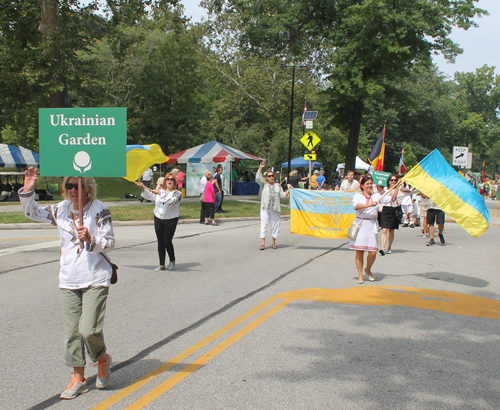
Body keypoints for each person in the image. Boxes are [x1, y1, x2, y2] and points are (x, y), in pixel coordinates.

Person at [20, 167, 115, 400]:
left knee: (88, 330)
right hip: (69, 278)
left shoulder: (99, 209)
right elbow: (32, 212)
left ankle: (102, 360)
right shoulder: (59, 210)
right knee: (72, 333)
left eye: (78, 186)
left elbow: (110, 242)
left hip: (95, 277)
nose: (73, 190)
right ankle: (78, 378)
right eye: (69, 186)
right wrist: (29, 189)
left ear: (88, 188)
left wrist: (91, 239)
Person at [135, 173, 182, 271]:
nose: (169, 181)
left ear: (174, 182)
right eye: (167, 179)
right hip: (158, 218)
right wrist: (143, 188)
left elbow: (172, 202)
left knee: (167, 241)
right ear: (165, 181)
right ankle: (161, 264)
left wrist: (161, 193)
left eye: (172, 179)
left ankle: (172, 260)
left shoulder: (177, 193)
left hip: (171, 220)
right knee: (160, 242)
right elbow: (151, 196)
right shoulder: (161, 191)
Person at [349, 175, 380, 283]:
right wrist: (370, 205)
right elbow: (356, 206)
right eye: (367, 184)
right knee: (360, 251)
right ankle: (360, 274)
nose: (370, 186)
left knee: (373, 252)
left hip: (372, 224)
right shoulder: (358, 196)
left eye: (371, 183)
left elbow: (391, 198)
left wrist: (396, 186)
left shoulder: (376, 196)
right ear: (362, 185)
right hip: (361, 224)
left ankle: (368, 269)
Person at [256, 161, 289, 250]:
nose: (271, 177)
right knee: (264, 225)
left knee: (275, 225)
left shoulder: (278, 185)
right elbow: (258, 178)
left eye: (272, 176)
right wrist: (261, 167)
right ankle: (263, 244)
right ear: (266, 178)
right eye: (269, 176)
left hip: (275, 208)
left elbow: (282, 196)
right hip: (265, 208)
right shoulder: (264, 185)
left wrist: (288, 190)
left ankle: (273, 242)